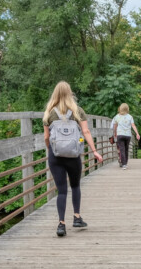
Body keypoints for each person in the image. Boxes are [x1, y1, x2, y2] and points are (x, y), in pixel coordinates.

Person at [43, 81, 103, 237]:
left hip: (55, 156)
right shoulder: (78, 111)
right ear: (70, 93)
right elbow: (86, 131)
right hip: (73, 155)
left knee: (61, 191)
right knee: (75, 186)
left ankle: (61, 224)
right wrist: (94, 151)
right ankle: (77, 217)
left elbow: (46, 137)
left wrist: (51, 150)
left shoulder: (49, 112)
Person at [111, 103, 140, 169]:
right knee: (126, 149)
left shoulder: (117, 116)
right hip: (128, 135)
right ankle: (125, 163)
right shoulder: (130, 117)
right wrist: (137, 133)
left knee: (122, 149)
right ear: (127, 109)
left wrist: (115, 133)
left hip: (120, 135)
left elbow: (115, 126)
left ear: (120, 108)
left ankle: (124, 164)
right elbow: (133, 125)